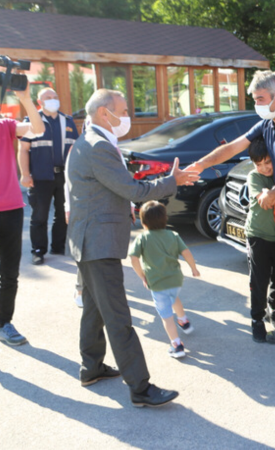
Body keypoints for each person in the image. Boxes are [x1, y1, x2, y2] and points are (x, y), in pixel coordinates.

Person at [67, 88, 199, 407]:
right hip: (97, 244)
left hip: (89, 242)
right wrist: (173, 180)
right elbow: (133, 190)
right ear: (103, 113)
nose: (127, 117)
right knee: (117, 317)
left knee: (95, 309)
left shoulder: (90, 142)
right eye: (123, 111)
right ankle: (140, 387)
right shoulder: (98, 146)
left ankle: (92, 367)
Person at [188, 70, 275, 370]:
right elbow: (233, 147)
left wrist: (274, 194)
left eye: (260, 99)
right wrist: (199, 165)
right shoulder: (267, 124)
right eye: (254, 100)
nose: (257, 104)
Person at [0, 82, 44, 346]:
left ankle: (4, 322)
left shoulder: (5, 125)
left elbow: (37, 129)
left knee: (9, 272)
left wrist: (26, 99)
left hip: (11, 209)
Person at [129, 201, 200, 359]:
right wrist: (193, 268)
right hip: (175, 279)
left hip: (157, 282)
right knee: (174, 297)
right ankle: (184, 321)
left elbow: (133, 259)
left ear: (144, 221)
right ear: (165, 219)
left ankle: (177, 345)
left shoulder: (142, 238)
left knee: (166, 316)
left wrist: (142, 276)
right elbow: (186, 252)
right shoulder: (172, 235)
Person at [18, 88, 79, 265]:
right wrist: (25, 174)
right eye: (48, 98)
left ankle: (58, 246)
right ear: (40, 102)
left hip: (64, 177)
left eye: (55, 97)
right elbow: (23, 149)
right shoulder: (30, 121)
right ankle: (38, 250)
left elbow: (75, 148)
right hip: (40, 178)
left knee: (62, 214)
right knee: (39, 216)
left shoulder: (67, 121)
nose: (53, 100)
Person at [243, 135, 275, 342]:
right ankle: (257, 319)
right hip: (258, 236)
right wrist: (272, 191)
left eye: (267, 162)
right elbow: (265, 200)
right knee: (259, 280)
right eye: (259, 164)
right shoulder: (254, 177)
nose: (264, 168)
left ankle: (273, 308)